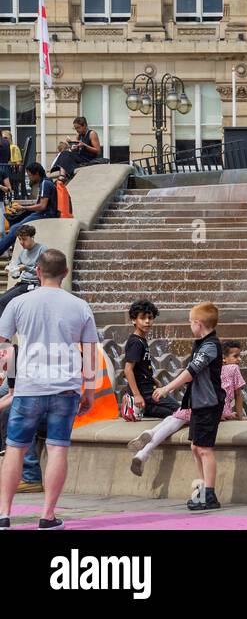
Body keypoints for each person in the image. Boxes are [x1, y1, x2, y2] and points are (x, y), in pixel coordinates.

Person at [0, 249, 99, 530]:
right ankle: (47, 516)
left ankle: (4, 514)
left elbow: (2, 342)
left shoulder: (19, 303)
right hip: (65, 389)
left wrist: (11, 379)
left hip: (28, 387)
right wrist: (89, 391)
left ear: (38, 272)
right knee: (57, 449)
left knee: (14, 449)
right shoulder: (79, 306)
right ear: (65, 273)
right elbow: (90, 351)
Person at [128, 341, 247, 476]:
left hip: (198, 401)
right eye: (236, 356)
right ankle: (144, 452)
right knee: (175, 422)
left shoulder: (210, 368)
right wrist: (240, 416)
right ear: (224, 359)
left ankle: (147, 440)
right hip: (212, 408)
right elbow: (238, 394)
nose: (239, 359)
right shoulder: (234, 369)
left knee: (174, 418)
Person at [148, 302, 225, 512]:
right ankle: (202, 490)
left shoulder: (210, 346)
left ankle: (209, 494)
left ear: (198, 324)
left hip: (210, 404)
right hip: (200, 403)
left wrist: (166, 389)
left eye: (191, 322)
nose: (190, 326)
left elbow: (191, 371)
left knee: (205, 449)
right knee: (195, 446)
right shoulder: (201, 343)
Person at [122, 299, 180, 421]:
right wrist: (137, 395)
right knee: (179, 411)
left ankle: (142, 408)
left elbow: (139, 368)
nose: (147, 321)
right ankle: (135, 402)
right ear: (133, 320)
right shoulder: (136, 342)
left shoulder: (141, 340)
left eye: (150, 317)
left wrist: (153, 379)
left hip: (148, 388)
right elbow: (128, 370)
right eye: (143, 318)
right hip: (145, 391)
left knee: (175, 411)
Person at [0, 163, 58, 258]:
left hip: (45, 214)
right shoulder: (45, 182)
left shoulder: (45, 184)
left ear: (37, 174)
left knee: (15, 229)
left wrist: (23, 208)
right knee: (14, 222)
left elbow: (42, 206)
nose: (29, 178)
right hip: (43, 213)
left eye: (30, 175)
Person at [0, 225, 43, 317]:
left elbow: (43, 272)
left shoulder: (42, 250)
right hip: (23, 283)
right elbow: (17, 275)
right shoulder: (23, 252)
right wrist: (12, 271)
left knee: (3, 302)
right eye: (19, 239)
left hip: (34, 284)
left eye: (24, 239)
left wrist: (25, 268)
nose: (21, 242)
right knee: (2, 300)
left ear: (32, 237)